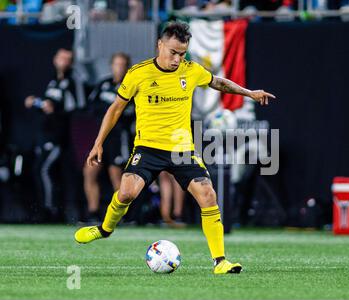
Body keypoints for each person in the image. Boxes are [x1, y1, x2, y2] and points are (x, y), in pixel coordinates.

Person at [74, 21, 275, 274]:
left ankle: (220, 261)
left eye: (182, 53)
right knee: (126, 193)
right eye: (173, 52)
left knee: (208, 195)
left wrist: (250, 93)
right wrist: (98, 142)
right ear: (160, 45)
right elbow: (115, 109)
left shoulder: (191, 71)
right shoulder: (139, 73)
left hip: (182, 150)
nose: (177, 59)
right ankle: (104, 229)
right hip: (147, 148)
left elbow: (219, 82)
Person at [25, 48, 79, 222]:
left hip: (58, 136)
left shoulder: (73, 80)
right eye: (61, 58)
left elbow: (77, 106)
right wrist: (36, 102)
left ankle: (49, 210)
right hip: (44, 133)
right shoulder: (51, 79)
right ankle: (44, 209)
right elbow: (45, 102)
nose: (64, 61)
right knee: (43, 170)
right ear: (55, 59)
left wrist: (55, 109)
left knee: (43, 169)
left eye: (67, 59)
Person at [81, 52, 133, 223]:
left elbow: (130, 113)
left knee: (116, 176)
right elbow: (91, 106)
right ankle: (93, 212)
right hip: (101, 137)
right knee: (89, 172)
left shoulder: (131, 86)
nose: (119, 68)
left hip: (119, 137)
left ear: (127, 68)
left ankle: (121, 216)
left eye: (122, 65)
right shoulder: (103, 84)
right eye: (116, 64)